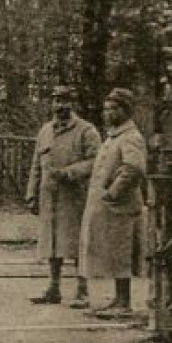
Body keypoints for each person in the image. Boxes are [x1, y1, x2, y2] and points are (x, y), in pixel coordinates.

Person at [25, 86, 101, 306]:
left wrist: (70, 172)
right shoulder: (45, 131)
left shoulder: (86, 131)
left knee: (78, 242)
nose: (60, 106)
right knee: (52, 241)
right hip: (49, 195)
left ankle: (82, 290)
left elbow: (94, 161)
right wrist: (31, 192)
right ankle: (54, 287)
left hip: (75, 195)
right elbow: (36, 165)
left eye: (65, 101)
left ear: (73, 103)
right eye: (56, 101)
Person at [78, 87, 150, 317]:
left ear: (124, 110)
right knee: (112, 252)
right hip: (109, 206)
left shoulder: (131, 137)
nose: (107, 113)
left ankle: (124, 302)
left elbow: (133, 168)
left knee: (122, 253)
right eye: (105, 109)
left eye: (112, 109)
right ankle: (119, 299)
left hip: (121, 207)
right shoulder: (114, 136)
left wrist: (113, 193)